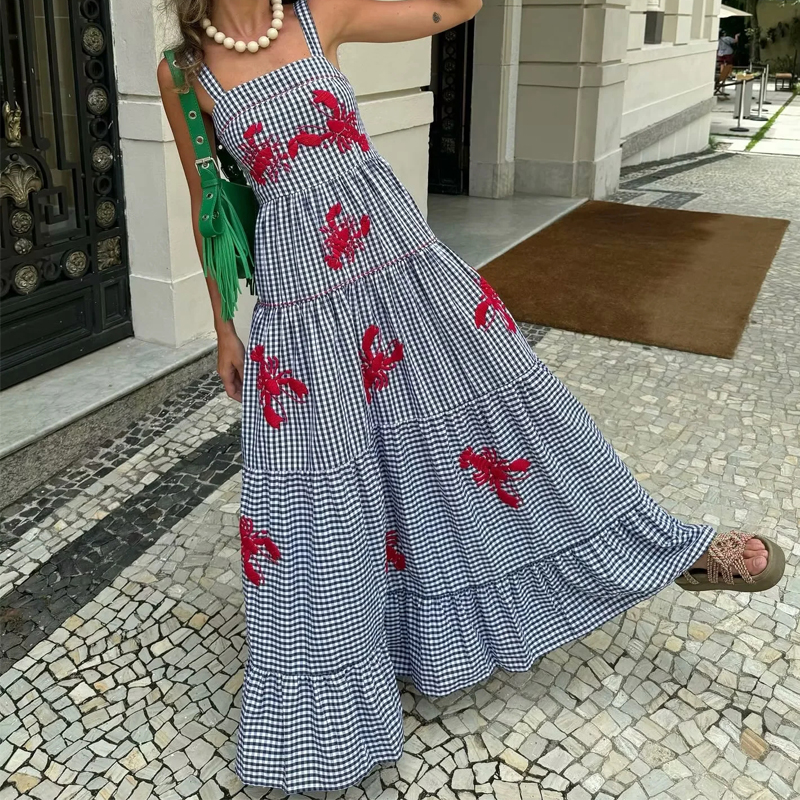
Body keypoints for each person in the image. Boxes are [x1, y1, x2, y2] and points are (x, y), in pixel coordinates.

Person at [157, 0, 785, 792]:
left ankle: (666, 547)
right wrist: (224, 327)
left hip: (402, 268)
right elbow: (206, 206)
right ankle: (334, 710)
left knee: (518, 415)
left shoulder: (317, 15)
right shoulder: (184, 71)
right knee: (323, 491)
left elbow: (457, 7)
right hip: (304, 303)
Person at [716, 29, 740, 96]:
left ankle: (722, 74)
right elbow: (735, 41)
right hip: (728, 53)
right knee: (729, 64)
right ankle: (729, 74)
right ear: (724, 34)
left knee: (722, 64)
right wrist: (736, 36)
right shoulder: (727, 38)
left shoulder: (717, 40)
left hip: (720, 53)